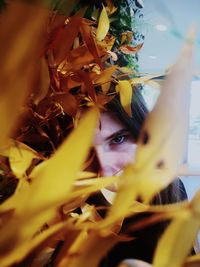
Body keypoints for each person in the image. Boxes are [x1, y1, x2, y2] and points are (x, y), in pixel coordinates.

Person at [84, 85, 189, 267]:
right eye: (82, 150)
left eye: (118, 139)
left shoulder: (171, 188)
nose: (105, 169)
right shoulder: (71, 211)